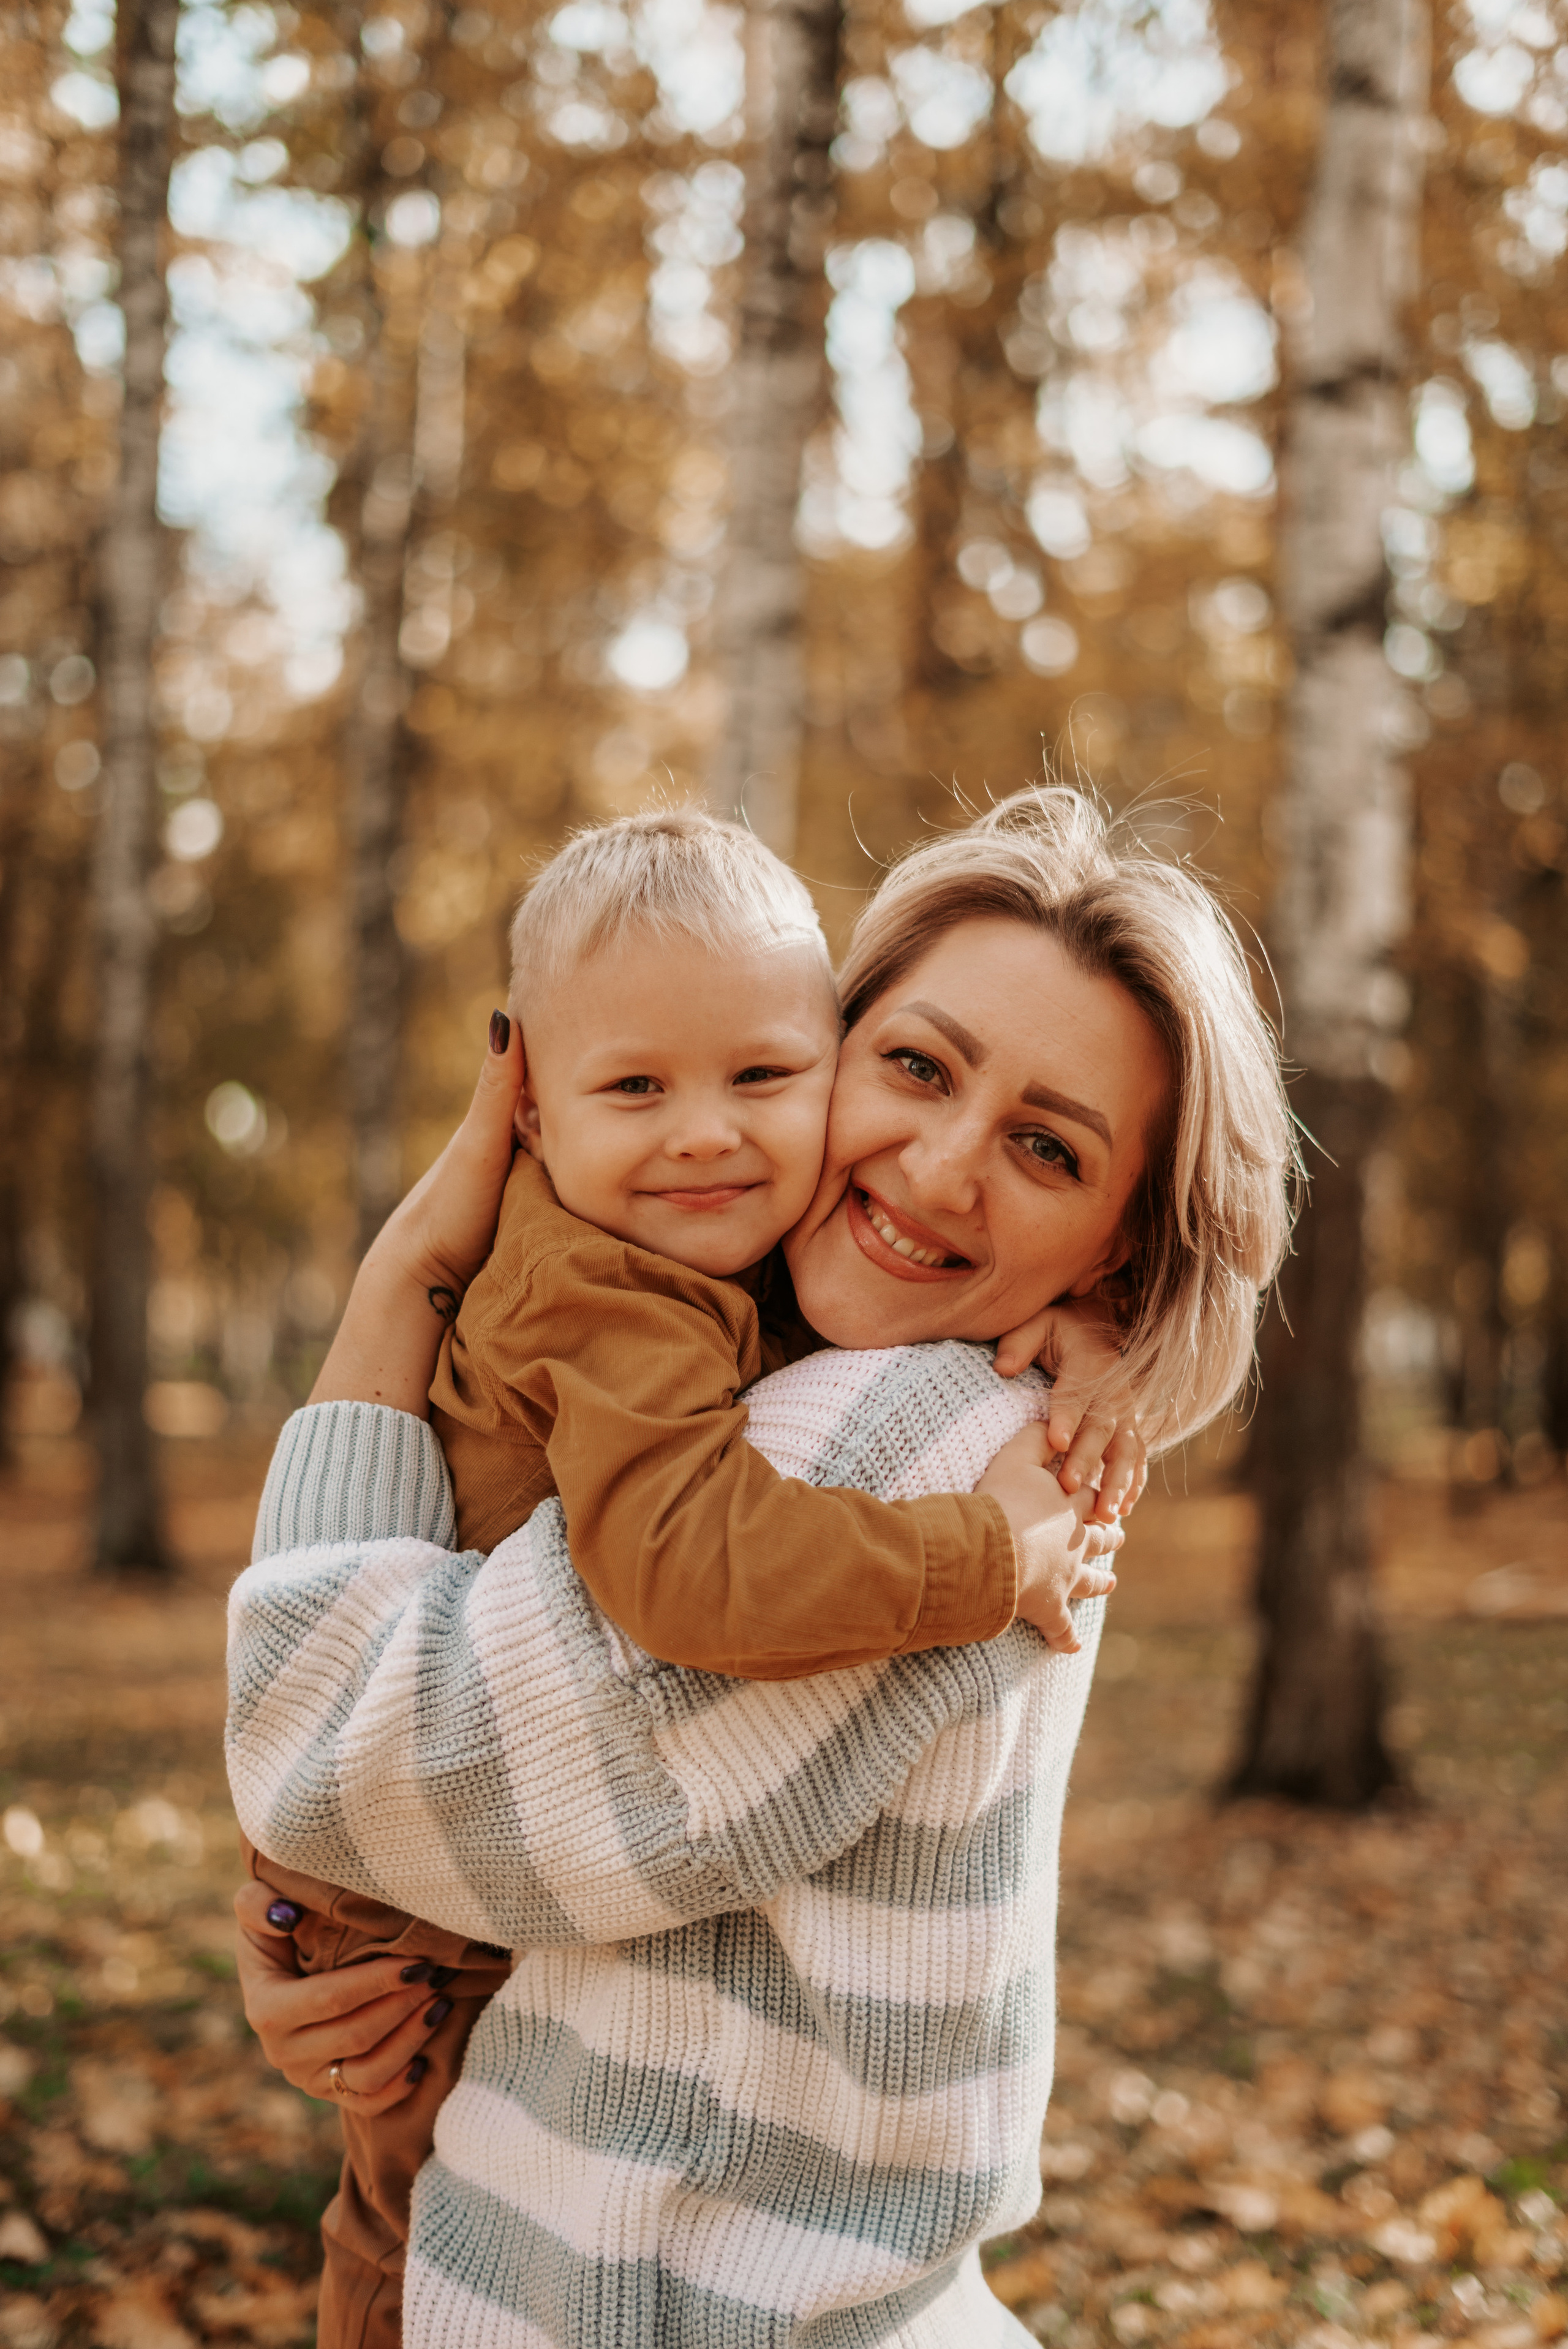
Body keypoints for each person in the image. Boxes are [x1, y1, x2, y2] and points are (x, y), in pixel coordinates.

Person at [231, 788, 1294, 2347]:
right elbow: (391, 1800)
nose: (939, 1169)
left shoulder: (899, 1443)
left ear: (1120, 1241)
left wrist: (404, 1277)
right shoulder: (767, 1354)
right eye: (915, 1066)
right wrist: (318, 1916)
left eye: (1045, 1148)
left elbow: (335, 1765)